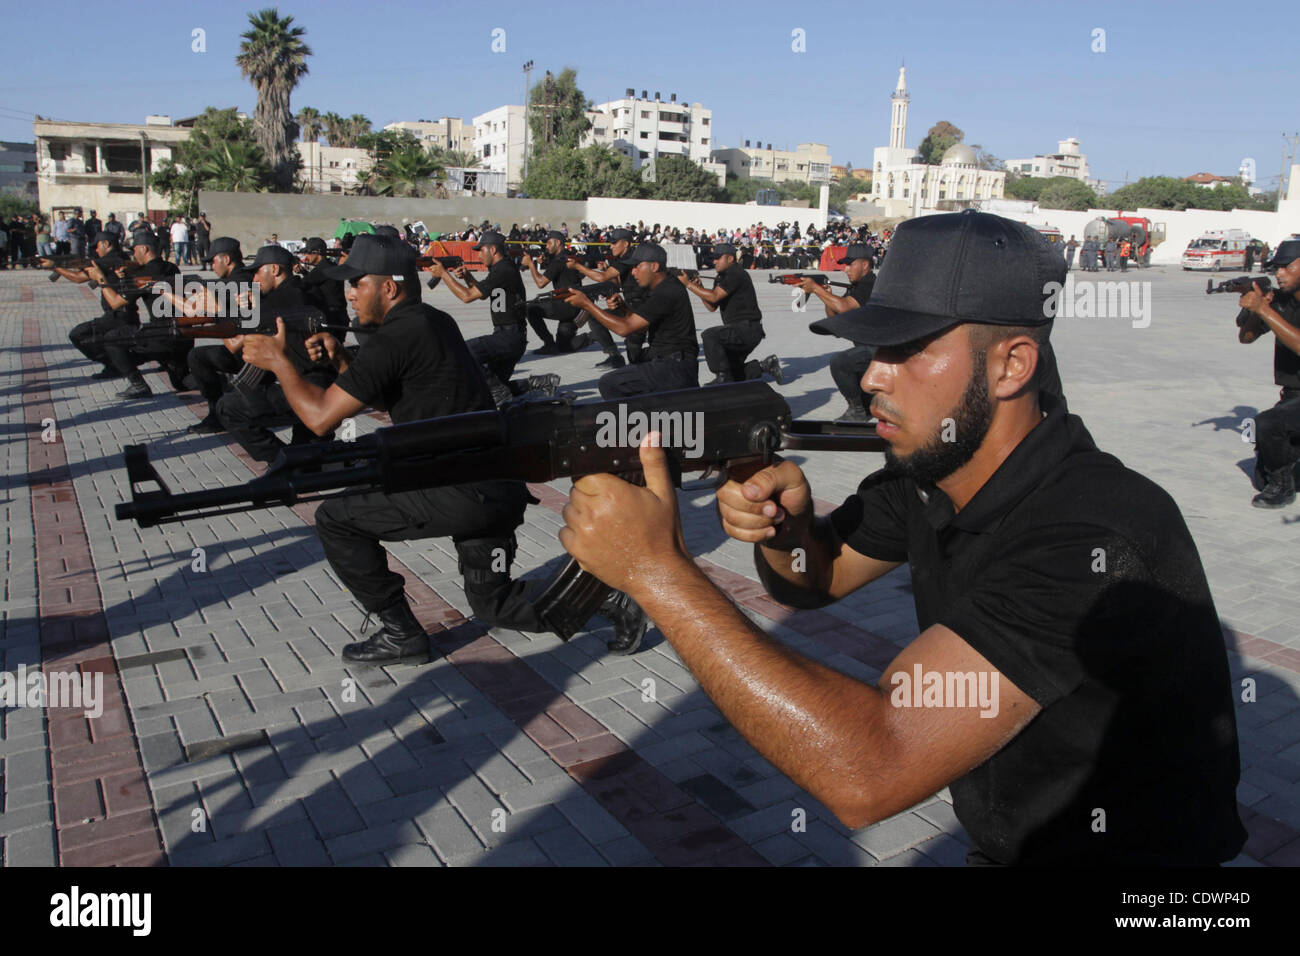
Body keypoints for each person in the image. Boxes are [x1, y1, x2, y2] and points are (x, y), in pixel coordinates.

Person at [557, 210, 1247, 866]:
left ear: (1012, 365)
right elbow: (815, 578)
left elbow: (871, 769)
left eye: (908, 349)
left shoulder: (1092, 533)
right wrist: (785, 528)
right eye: (876, 346)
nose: (871, 373)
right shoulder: (933, 470)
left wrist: (659, 573)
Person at [239, 234, 645, 662]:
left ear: (389, 288)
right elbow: (386, 397)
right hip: (491, 485)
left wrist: (280, 362)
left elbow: (320, 417)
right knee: (494, 605)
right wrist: (341, 360)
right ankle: (607, 598)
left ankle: (400, 634)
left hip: (457, 490)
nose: (350, 294)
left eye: (357, 284)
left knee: (336, 519)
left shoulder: (394, 338)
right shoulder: (432, 320)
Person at [214, 244, 336, 461]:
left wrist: (221, 310)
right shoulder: (307, 290)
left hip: (305, 386)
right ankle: (306, 456)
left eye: (258, 271)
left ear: (275, 270)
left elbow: (234, 344)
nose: (254, 279)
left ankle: (282, 461)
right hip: (321, 381)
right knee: (307, 455)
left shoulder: (276, 303)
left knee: (228, 407)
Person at [560, 243, 699, 399]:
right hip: (673, 360)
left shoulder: (666, 292)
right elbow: (639, 325)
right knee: (634, 360)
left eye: (637, 267)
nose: (633, 272)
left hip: (675, 367)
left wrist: (587, 304)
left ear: (654, 266)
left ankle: (638, 421)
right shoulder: (664, 286)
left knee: (610, 382)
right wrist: (624, 309)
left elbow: (625, 329)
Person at [425, 230, 532, 405]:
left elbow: (467, 296)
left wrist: (444, 274)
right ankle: (534, 384)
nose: (479, 255)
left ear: (493, 250)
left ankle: (500, 393)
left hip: (509, 337)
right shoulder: (501, 268)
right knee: (482, 389)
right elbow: (481, 293)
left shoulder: (503, 270)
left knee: (465, 351)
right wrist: (467, 276)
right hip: (509, 336)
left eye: (481, 251)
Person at [1236, 239, 1300, 507]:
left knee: (1267, 424)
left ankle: (1283, 488)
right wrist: (1256, 310)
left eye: (1286, 267)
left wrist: (1264, 309)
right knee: (1262, 476)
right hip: (1293, 396)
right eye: (1276, 268)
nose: (1279, 274)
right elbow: (1246, 338)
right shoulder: (1279, 301)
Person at [180, 237, 257, 433]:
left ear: (226, 259)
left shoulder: (240, 281)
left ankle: (218, 413)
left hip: (252, 352)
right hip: (242, 348)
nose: (211, 266)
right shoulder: (231, 281)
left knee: (197, 357)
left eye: (213, 261)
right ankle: (220, 407)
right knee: (195, 361)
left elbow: (208, 310)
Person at [679, 242, 782, 385]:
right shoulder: (721, 276)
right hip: (741, 330)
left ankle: (723, 379)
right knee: (733, 371)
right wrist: (699, 287)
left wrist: (688, 285)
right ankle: (764, 366)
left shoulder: (735, 272)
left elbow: (714, 296)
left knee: (709, 335)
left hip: (747, 329)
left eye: (718, 258)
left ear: (730, 259)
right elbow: (712, 306)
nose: (714, 261)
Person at [98, 233, 185, 398]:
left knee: (111, 339)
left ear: (144, 249)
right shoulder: (171, 267)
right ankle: (224, 381)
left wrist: (102, 280)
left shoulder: (142, 276)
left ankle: (138, 385)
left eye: (135, 250)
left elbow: (116, 303)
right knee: (182, 382)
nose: (133, 254)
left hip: (160, 334)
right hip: (182, 331)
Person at [804, 243, 879, 422]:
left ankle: (857, 411)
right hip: (870, 348)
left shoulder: (870, 284)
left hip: (881, 349)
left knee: (840, 362)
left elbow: (845, 307)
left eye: (850, 264)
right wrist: (826, 296)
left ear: (865, 265)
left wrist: (816, 288)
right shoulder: (857, 285)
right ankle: (865, 406)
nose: (845, 269)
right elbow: (836, 318)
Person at [568, 228, 643, 367]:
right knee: (595, 318)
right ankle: (613, 355)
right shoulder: (624, 258)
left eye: (614, 243)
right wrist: (604, 269)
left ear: (625, 244)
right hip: (629, 306)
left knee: (635, 356)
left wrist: (577, 266)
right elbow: (618, 283)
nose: (611, 246)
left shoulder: (629, 259)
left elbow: (602, 278)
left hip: (641, 309)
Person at [521, 230, 591, 355]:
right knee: (564, 346)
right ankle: (592, 337)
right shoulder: (570, 257)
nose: (546, 246)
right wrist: (547, 262)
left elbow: (541, 283)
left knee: (530, 309)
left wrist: (531, 264)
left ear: (558, 242)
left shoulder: (558, 261)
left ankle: (548, 344)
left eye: (548, 243)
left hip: (565, 306)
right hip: (577, 306)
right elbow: (577, 275)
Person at [296, 237, 348, 327]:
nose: (306, 257)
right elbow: (315, 280)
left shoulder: (322, 268)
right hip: (339, 316)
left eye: (307, 253)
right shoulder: (329, 265)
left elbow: (302, 284)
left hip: (331, 318)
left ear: (316, 253)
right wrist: (303, 272)